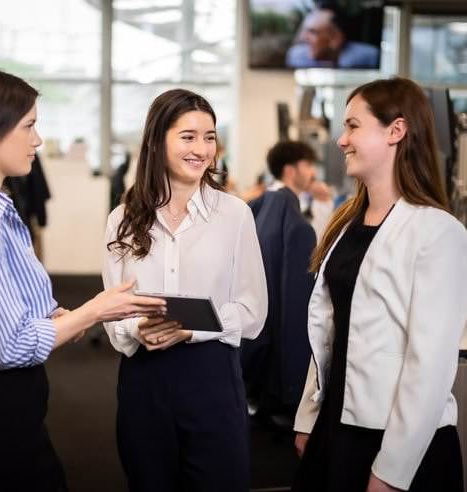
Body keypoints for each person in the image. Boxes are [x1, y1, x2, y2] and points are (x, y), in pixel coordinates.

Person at [0, 68, 165, 492]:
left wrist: (53, 318)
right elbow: (7, 346)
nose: (37, 140)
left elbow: (2, 297)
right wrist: (93, 311)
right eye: (28, 126)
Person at [291, 77, 467, 492]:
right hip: (337, 423)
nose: (341, 140)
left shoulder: (438, 232)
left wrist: (392, 470)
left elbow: (429, 367)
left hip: (395, 442)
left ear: (396, 130)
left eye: (353, 126)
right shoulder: (348, 222)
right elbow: (330, 333)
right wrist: (308, 415)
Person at [103, 88, 268, 492]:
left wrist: (191, 328)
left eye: (209, 137)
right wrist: (138, 328)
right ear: (156, 141)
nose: (202, 149)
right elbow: (113, 312)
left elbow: (253, 311)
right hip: (145, 379)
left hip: (212, 376)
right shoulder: (123, 219)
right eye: (188, 136)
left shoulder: (234, 215)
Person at [241, 141, 318, 424]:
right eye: (307, 166)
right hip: (277, 359)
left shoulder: (262, 205)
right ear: (290, 170)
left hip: (255, 348)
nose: (312, 173)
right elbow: (297, 301)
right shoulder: (295, 222)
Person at [264, 140, 334, 240]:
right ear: (289, 171)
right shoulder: (282, 205)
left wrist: (323, 201)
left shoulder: (277, 200)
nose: (314, 172)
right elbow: (311, 244)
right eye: (308, 165)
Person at [286, 6, 380, 69]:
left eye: (312, 32)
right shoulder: (297, 57)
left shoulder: (367, 57)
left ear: (335, 38)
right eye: (304, 31)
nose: (303, 38)